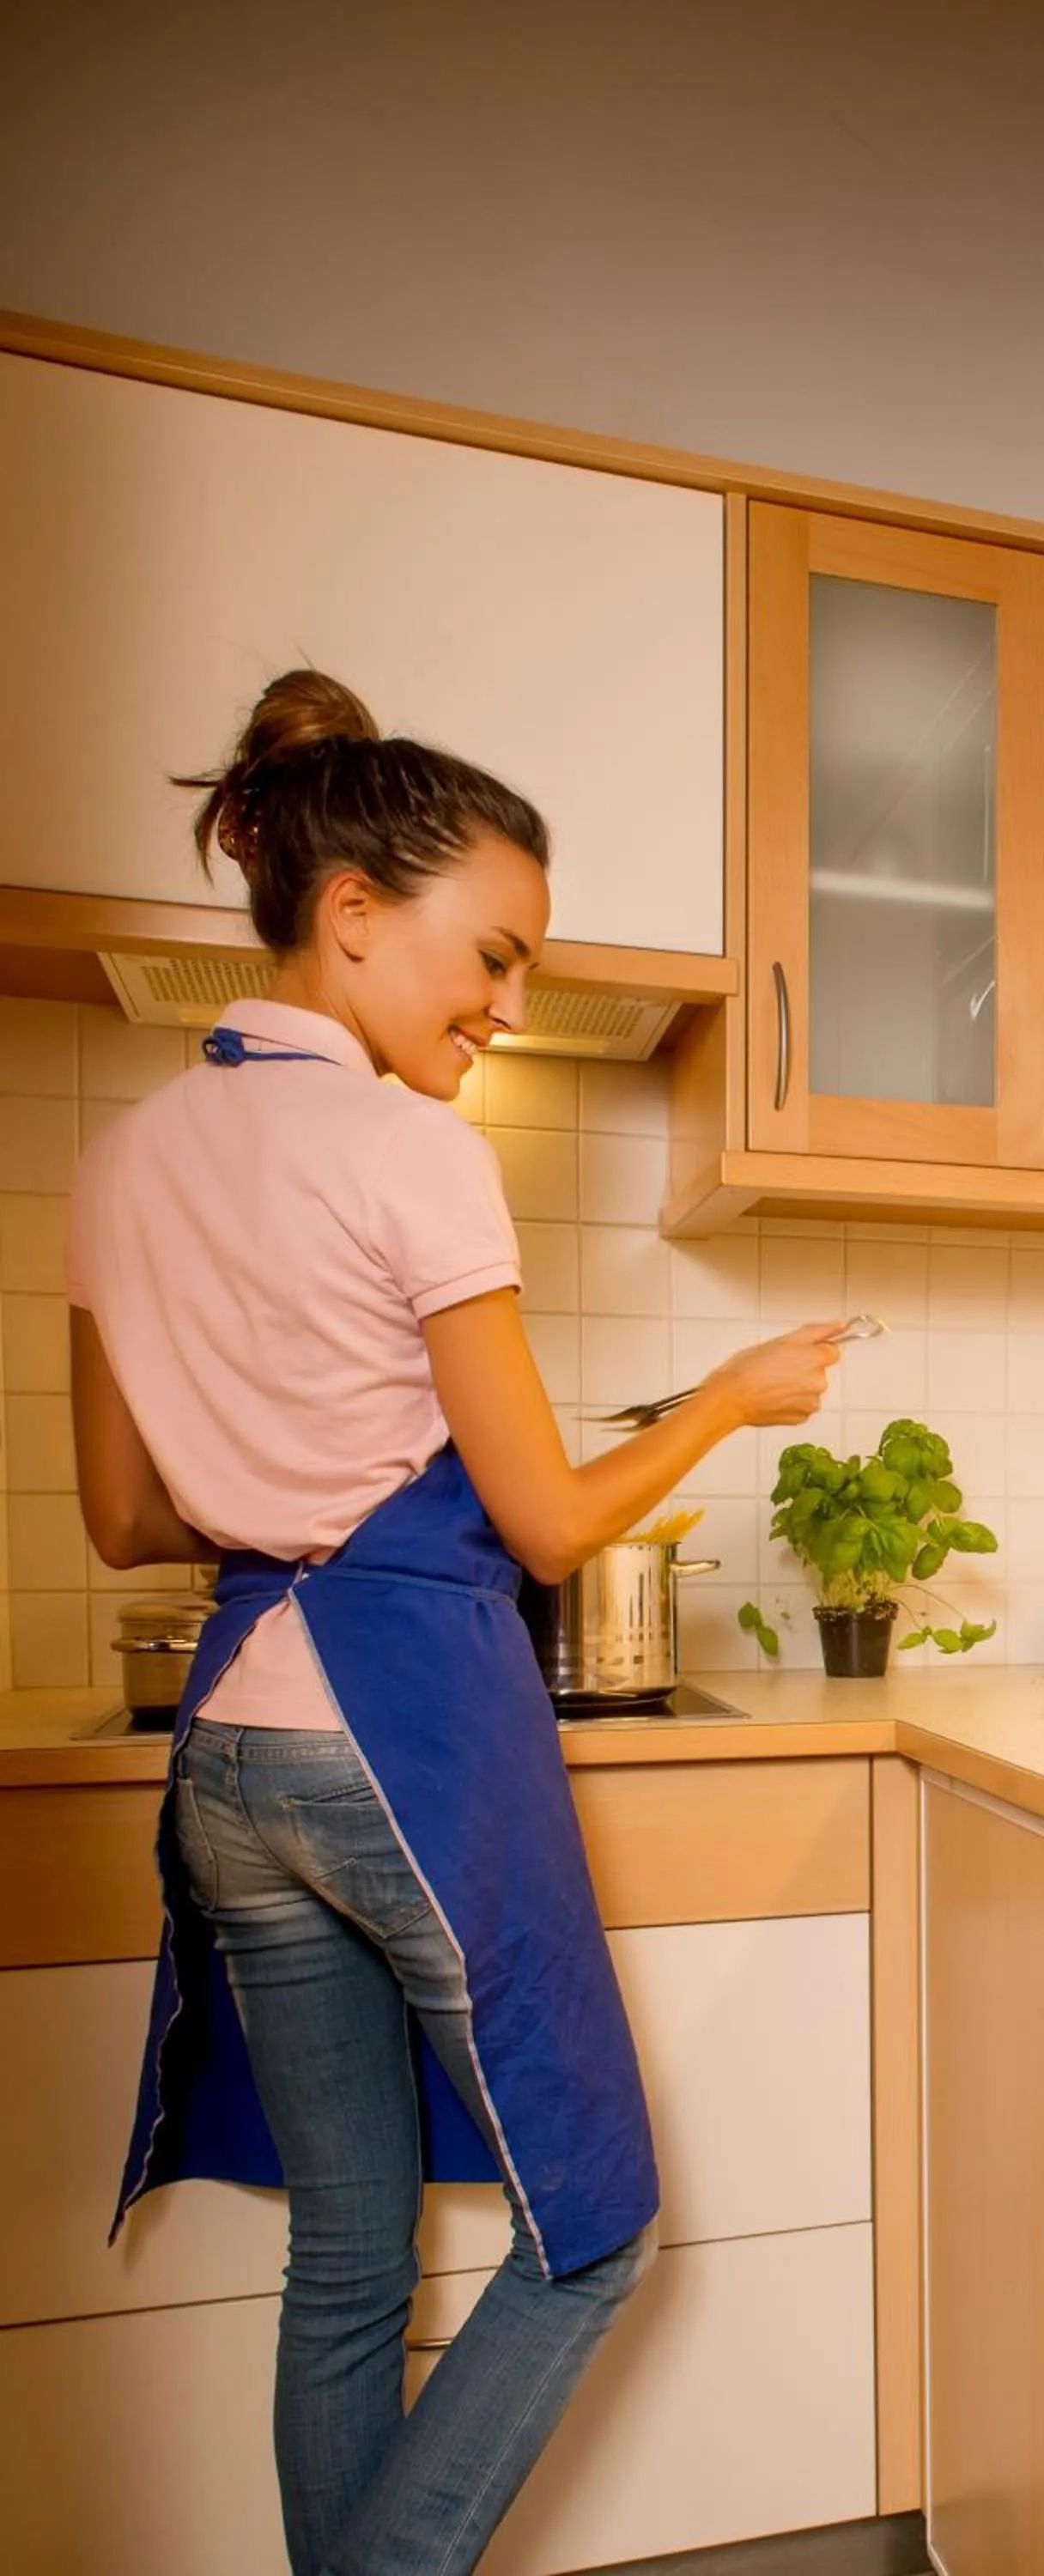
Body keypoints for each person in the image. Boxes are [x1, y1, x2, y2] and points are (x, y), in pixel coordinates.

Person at [65, 668, 841, 2575]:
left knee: (347, 2252)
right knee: (596, 2229)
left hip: (228, 1754)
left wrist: (285, 1496)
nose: (504, 1002)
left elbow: (124, 1522)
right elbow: (550, 1518)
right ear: (353, 913)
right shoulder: (413, 1151)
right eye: (490, 955)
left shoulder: (118, 1162)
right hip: (400, 1733)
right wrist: (728, 1397)